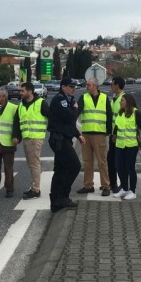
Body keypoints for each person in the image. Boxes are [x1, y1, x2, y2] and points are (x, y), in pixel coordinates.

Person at [47, 77, 83, 212]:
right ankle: (62, 196)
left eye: (74, 87)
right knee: (74, 166)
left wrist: (78, 135)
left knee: (60, 170)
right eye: (71, 87)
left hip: (63, 138)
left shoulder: (67, 100)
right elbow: (70, 117)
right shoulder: (60, 100)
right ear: (63, 87)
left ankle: (56, 201)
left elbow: (68, 123)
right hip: (59, 140)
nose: (73, 89)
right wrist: (75, 109)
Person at [76, 78, 113, 196]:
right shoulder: (83, 97)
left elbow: (109, 114)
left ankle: (106, 185)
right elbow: (77, 112)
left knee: (102, 161)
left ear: (95, 86)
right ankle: (88, 185)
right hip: (86, 133)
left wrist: (108, 131)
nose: (86, 86)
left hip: (99, 134)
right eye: (87, 84)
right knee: (87, 161)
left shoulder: (104, 98)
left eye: (89, 85)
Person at [112, 93, 141, 200]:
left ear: (128, 101)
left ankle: (132, 191)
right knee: (119, 167)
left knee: (130, 168)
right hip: (120, 145)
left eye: (122, 100)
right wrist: (114, 135)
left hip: (131, 145)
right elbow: (117, 127)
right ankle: (125, 188)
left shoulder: (136, 113)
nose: (120, 102)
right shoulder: (120, 113)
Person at [18, 82, 49, 200]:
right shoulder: (21, 105)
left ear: (30, 92)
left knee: (34, 164)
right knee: (31, 164)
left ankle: (36, 190)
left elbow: (51, 116)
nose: (20, 93)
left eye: (22, 91)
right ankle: (34, 187)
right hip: (26, 138)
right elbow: (18, 122)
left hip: (36, 138)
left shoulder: (40, 103)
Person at [107, 77, 126, 193]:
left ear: (117, 86)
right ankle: (113, 183)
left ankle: (121, 185)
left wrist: (116, 134)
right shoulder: (115, 99)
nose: (110, 86)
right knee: (111, 160)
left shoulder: (123, 100)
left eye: (112, 84)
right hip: (113, 136)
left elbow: (123, 120)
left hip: (119, 137)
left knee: (119, 162)